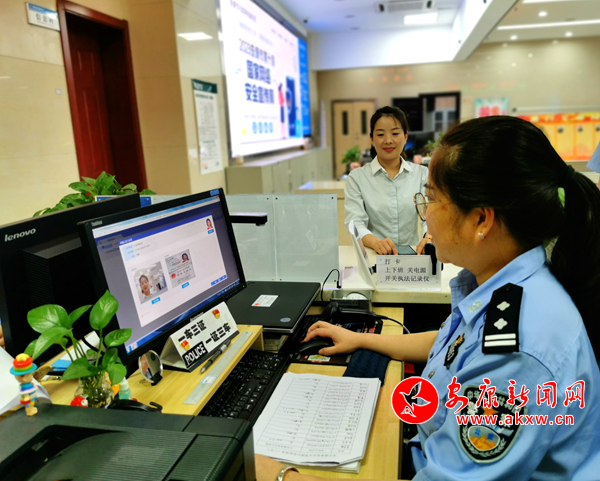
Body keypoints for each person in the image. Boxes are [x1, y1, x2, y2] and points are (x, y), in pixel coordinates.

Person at [256, 116, 600, 480]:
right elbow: (456, 345)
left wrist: (282, 476)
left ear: (481, 221)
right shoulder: (504, 285)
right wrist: (361, 339)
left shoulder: (517, 351)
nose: (425, 211)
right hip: (428, 443)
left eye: (432, 198)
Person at [344, 106, 430, 255]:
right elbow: (355, 222)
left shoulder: (421, 174)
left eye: (395, 133)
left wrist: (427, 238)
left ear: (405, 137)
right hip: (375, 255)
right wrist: (375, 242)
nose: (388, 140)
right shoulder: (357, 178)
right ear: (372, 139)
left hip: (413, 255)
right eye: (380, 134)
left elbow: (429, 216)